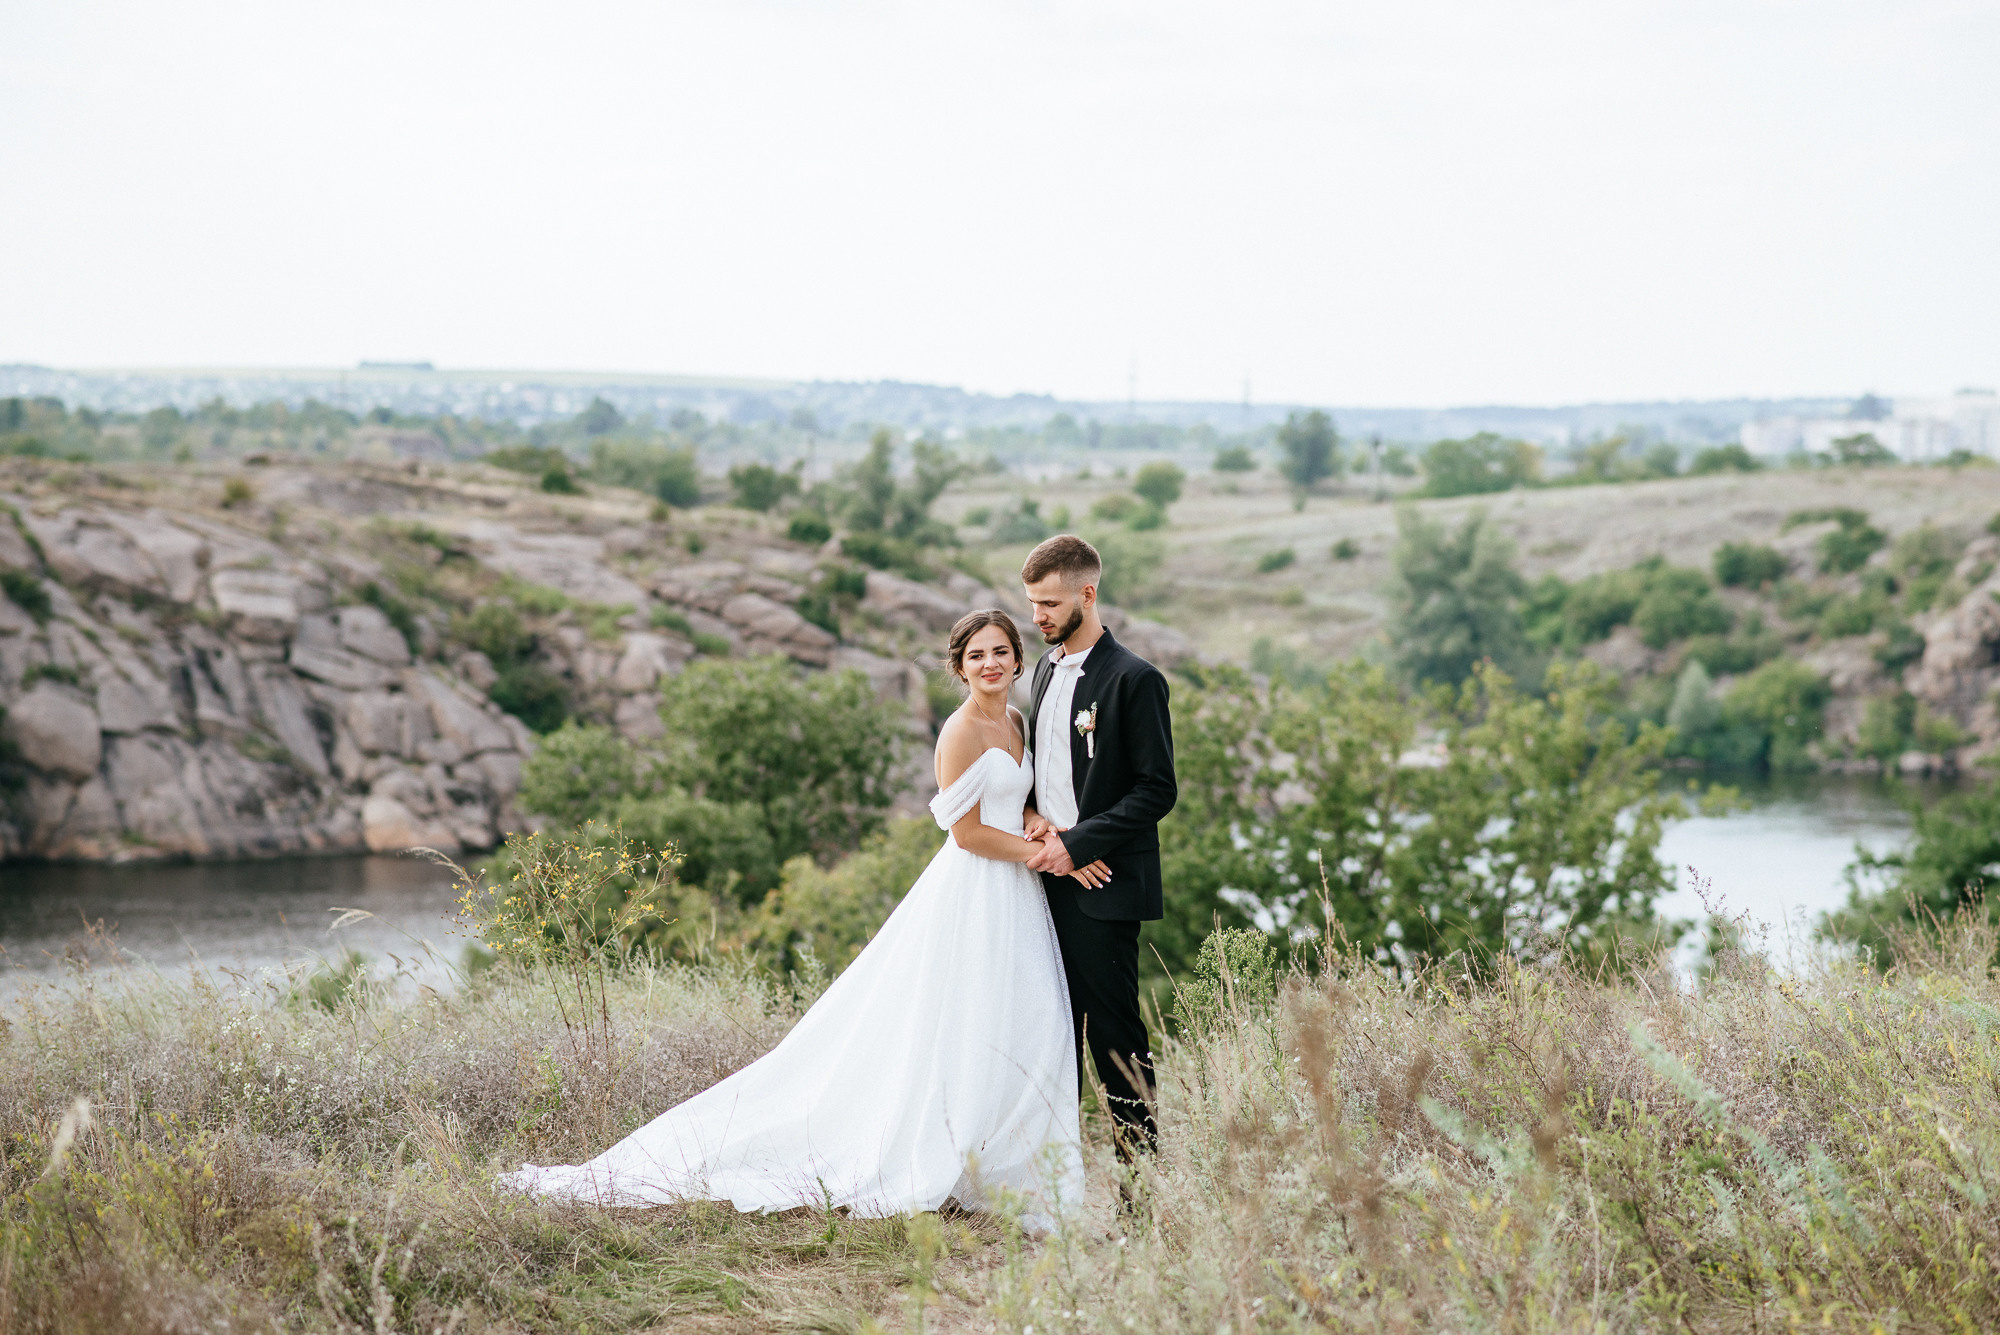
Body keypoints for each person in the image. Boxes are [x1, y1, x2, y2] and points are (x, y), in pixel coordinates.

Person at [498, 610, 1105, 1232]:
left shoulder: (1015, 720)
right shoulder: (959, 732)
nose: (991, 664)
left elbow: (1010, 799)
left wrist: (1034, 818)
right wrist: (1049, 855)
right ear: (959, 665)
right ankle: (937, 1151)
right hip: (977, 889)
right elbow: (967, 832)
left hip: (1017, 893)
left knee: (1013, 1017)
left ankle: (993, 1162)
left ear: (1017, 659)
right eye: (977, 655)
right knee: (957, 1017)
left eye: (1001, 652)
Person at [1020, 534, 1178, 1158]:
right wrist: (1033, 816)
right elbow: (1044, 769)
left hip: (1102, 884)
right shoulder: (1043, 668)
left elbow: (1155, 789)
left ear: (1088, 593)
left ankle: (1141, 1193)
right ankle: (1043, 1181)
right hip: (1036, 877)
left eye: (1051, 604)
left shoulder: (1136, 679)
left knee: (1115, 1042)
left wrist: (1078, 846)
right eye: (1033, 603)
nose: (1039, 617)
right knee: (1045, 1033)